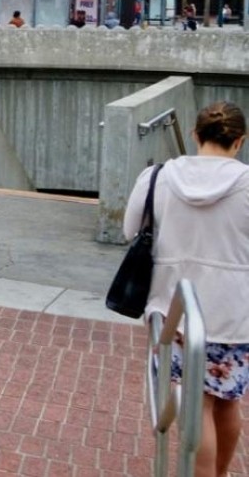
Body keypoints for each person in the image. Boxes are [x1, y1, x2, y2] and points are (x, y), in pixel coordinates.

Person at [123, 101, 249, 477]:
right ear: (239, 142)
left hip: (176, 309)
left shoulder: (158, 177)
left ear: (195, 135)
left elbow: (132, 231)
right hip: (235, 312)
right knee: (226, 403)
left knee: (196, 405)